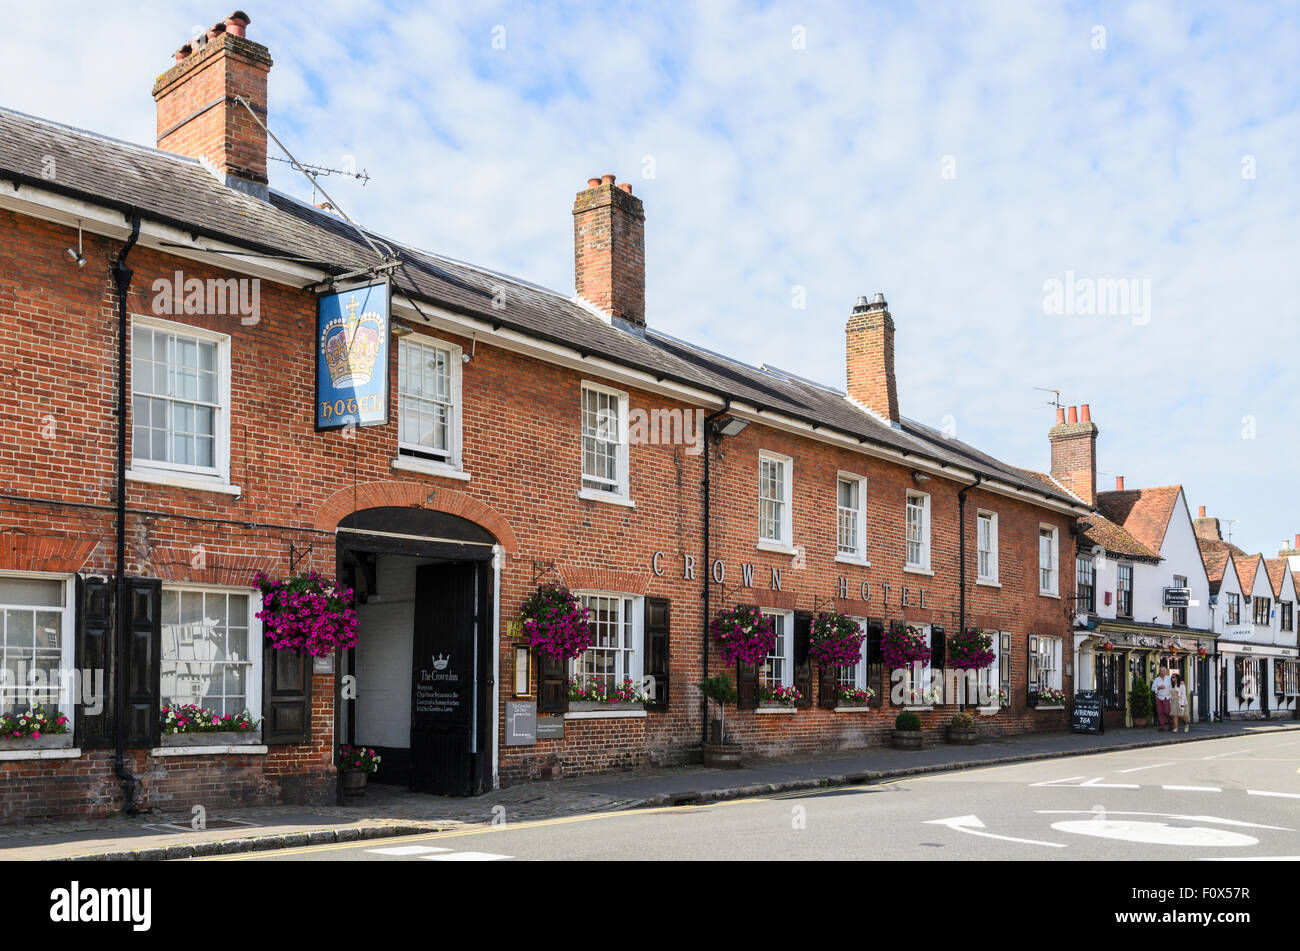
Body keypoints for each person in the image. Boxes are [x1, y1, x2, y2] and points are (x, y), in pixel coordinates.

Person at [1152, 665, 1173, 731]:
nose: (1162, 672)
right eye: (1161, 670)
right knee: (1160, 712)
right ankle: (1161, 726)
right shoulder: (1156, 679)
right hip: (1159, 697)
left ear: (1165, 671)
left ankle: (1171, 724)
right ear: (1159, 672)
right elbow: (1152, 689)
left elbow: (1174, 685)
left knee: (1167, 712)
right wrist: (1158, 688)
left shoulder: (1169, 678)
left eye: (1163, 670)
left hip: (1167, 697)